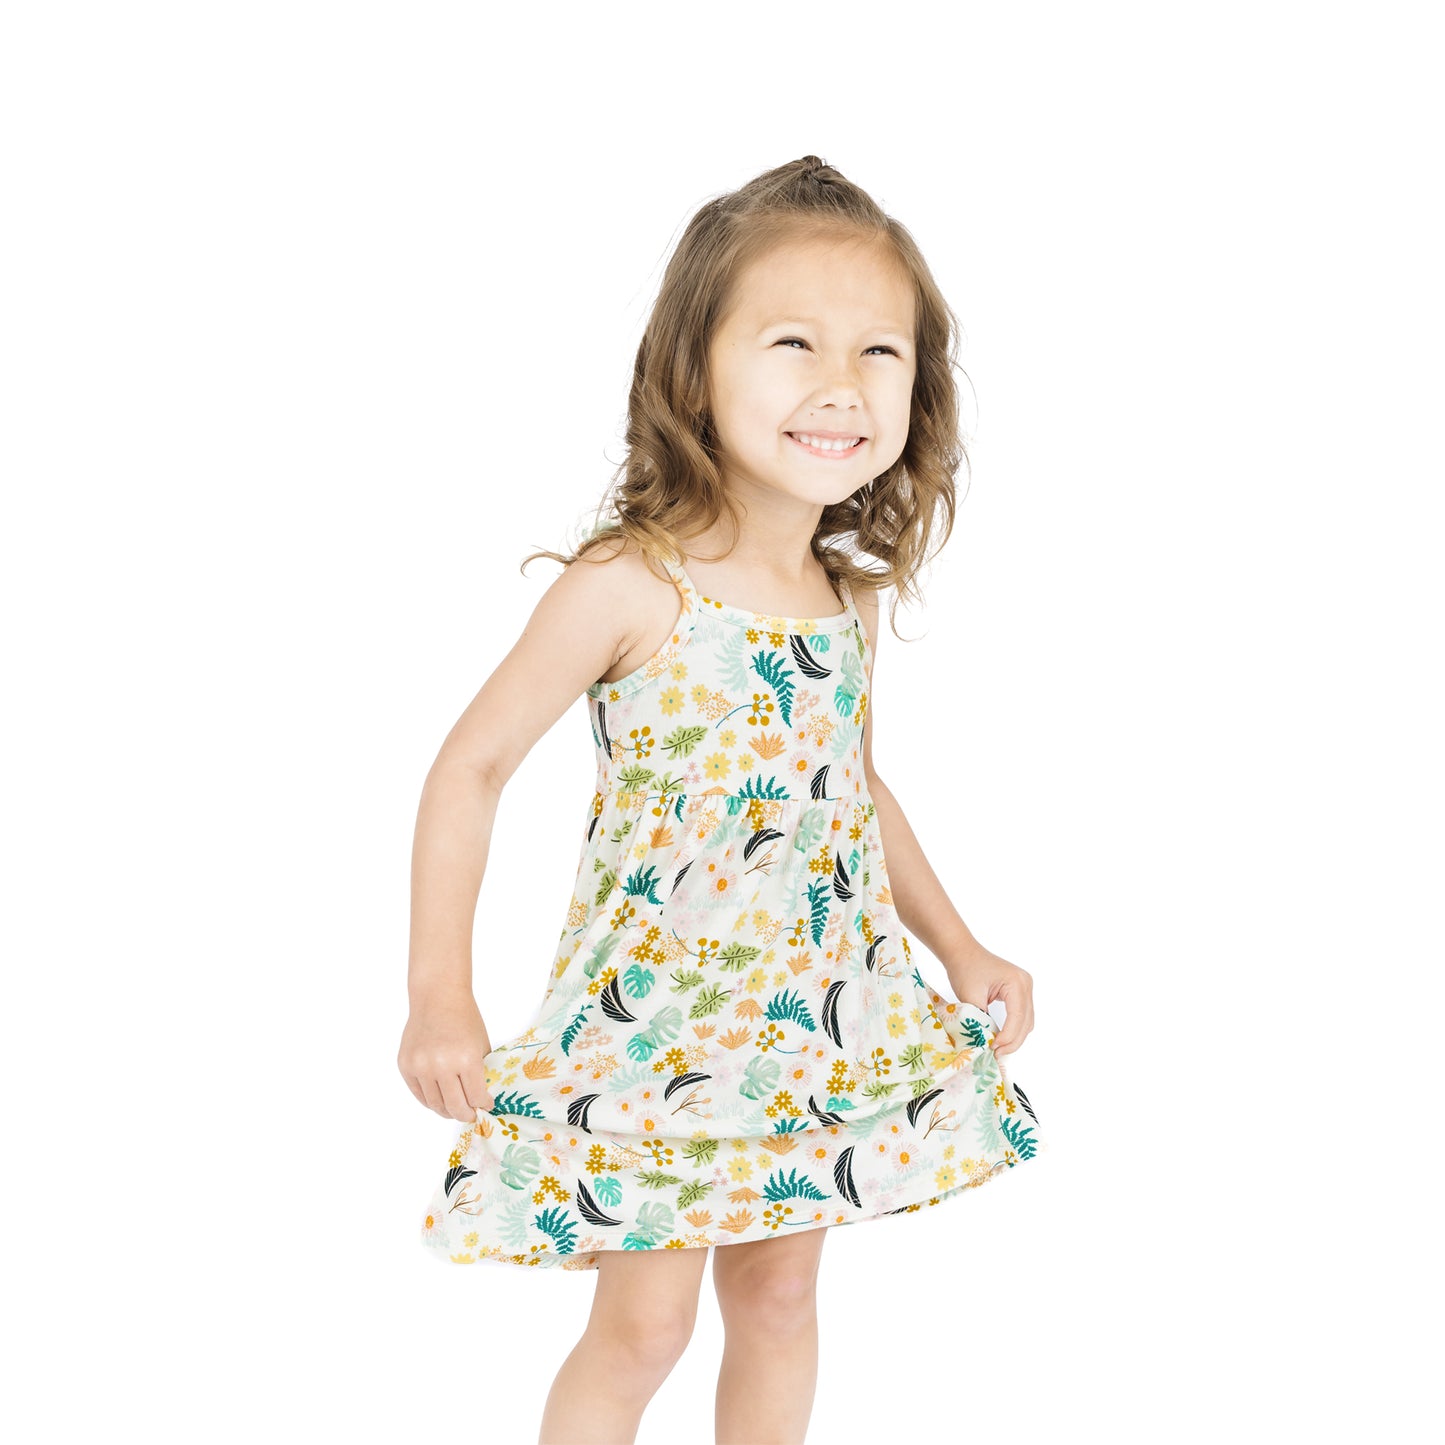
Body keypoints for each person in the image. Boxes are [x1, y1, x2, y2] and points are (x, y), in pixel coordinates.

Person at [398, 154, 1045, 1445]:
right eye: (792, 340)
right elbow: (466, 768)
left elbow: (850, 786)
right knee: (641, 1325)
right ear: (694, 368)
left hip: (810, 1018)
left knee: (783, 1292)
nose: (839, 384)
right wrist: (439, 992)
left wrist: (958, 942)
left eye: (880, 351)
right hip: (660, 1037)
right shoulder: (629, 584)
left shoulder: (842, 598)